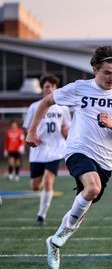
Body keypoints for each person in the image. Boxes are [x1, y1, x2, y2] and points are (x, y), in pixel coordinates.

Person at [26, 46, 112, 269]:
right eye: (107, 72)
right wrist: (32, 131)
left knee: (89, 198)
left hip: (105, 159)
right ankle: (62, 235)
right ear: (95, 69)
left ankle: (55, 240)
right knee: (93, 188)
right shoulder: (79, 88)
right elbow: (47, 101)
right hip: (78, 150)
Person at [23, 74, 71, 225]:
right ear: (42, 89)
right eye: (46, 86)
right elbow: (27, 128)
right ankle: (43, 190)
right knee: (35, 186)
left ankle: (41, 215)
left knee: (49, 180)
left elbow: (66, 127)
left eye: (51, 86)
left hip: (56, 149)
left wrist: (67, 132)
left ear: (56, 88)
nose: (48, 88)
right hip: (38, 150)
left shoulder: (63, 108)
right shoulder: (34, 107)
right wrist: (33, 135)